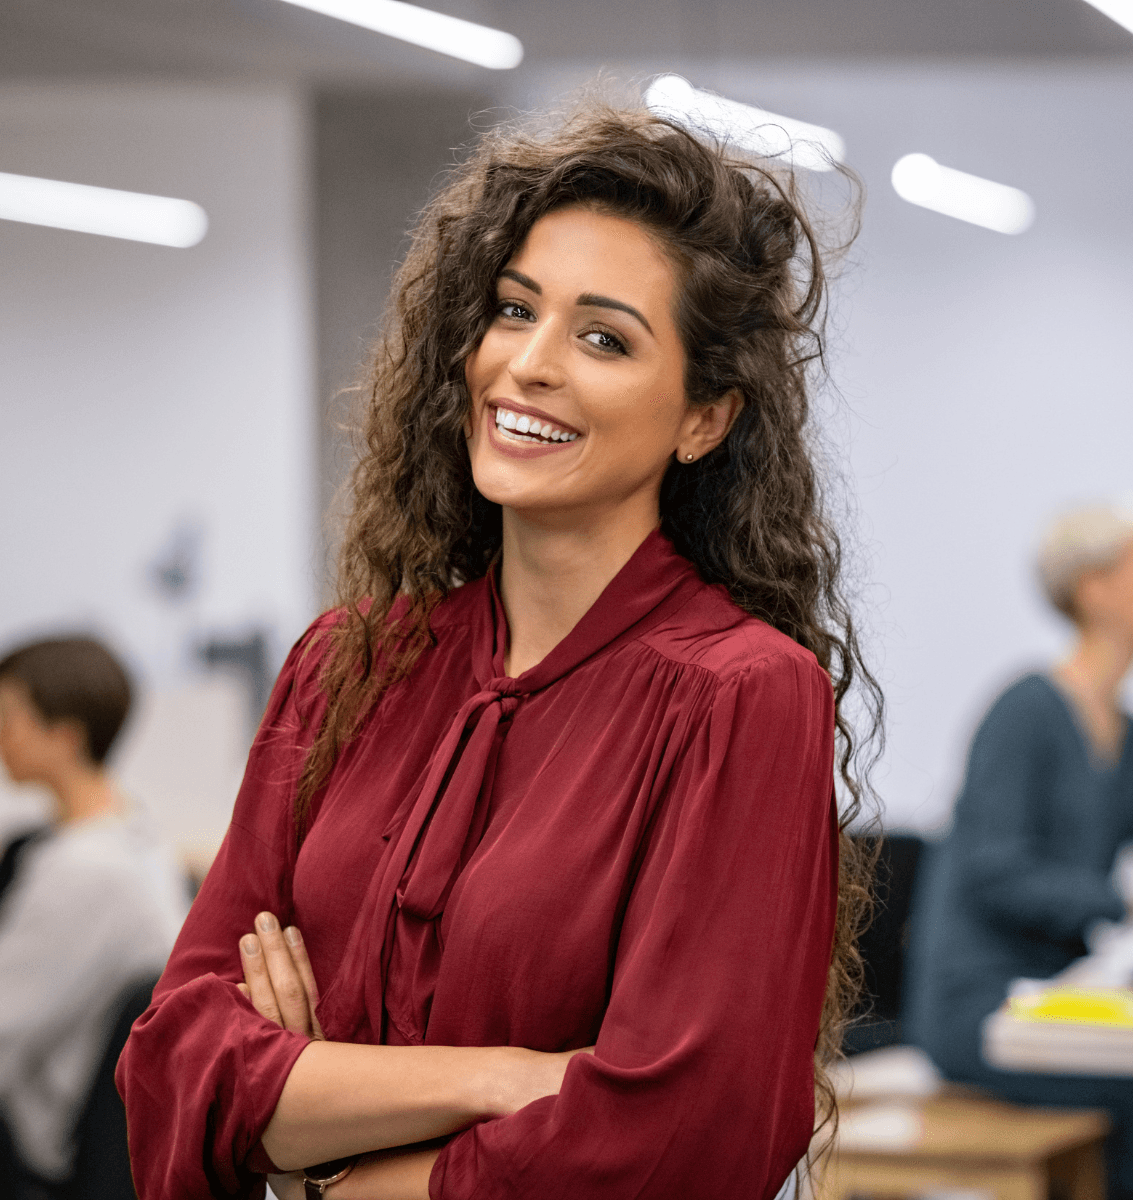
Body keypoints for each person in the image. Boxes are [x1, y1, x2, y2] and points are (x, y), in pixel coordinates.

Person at [118, 99, 879, 1200]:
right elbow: (174, 1062)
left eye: (604, 337)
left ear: (704, 418)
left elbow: (689, 1137)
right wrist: (508, 1078)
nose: (527, 364)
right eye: (513, 311)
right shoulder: (345, 665)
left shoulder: (741, 695)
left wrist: (324, 1157)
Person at [905, 501, 1133, 1200]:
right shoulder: (1026, 710)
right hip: (982, 1009)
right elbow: (995, 871)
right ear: (1094, 589)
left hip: (1064, 1006)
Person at [0, 636, 188, 1194]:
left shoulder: (82, 872)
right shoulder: (133, 836)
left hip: (41, 1146)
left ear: (63, 736)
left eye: (10, 718)